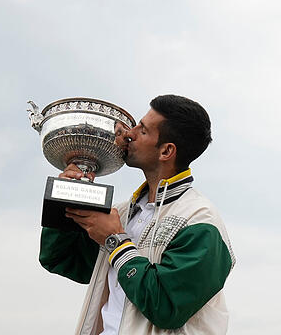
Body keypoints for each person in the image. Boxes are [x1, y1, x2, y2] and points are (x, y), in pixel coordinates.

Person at [39, 94, 235, 335]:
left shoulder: (200, 221)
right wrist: (67, 198)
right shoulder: (121, 213)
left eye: (142, 130)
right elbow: (62, 260)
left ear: (166, 151)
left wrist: (115, 241)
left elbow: (166, 306)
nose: (129, 133)